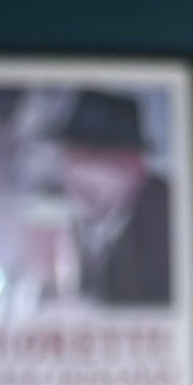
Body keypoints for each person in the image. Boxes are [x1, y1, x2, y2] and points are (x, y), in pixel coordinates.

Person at [58, 89, 171, 306]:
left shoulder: (171, 214)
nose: (79, 172)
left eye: (95, 156)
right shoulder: (79, 219)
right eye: (71, 155)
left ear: (137, 162)